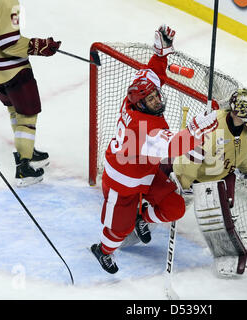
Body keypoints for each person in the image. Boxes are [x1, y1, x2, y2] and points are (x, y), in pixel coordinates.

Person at [91, 24, 218, 274]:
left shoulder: (134, 101)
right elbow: (175, 144)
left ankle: (143, 217)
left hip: (145, 175)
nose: (157, 100)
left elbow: (151, 74)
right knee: (119, 230)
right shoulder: (144, 131)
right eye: (151, 100)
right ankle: (103, 251)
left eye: (157, 96)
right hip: (122, 185)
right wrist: (200, 128)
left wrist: (161, 53)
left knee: (175, 208)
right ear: (142, 104)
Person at [0, 0, 61, 187]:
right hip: (13, 70)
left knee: (14, 110)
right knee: (27, 115)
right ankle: (24, 167)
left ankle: (28, 152)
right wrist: (40, 46)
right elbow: (8, 42)